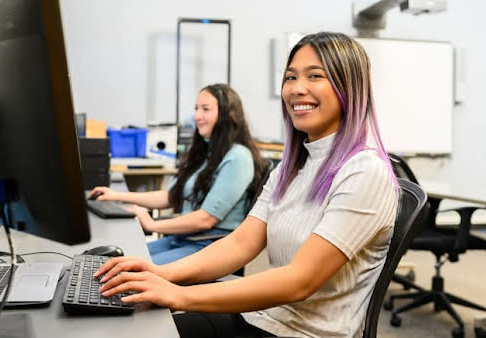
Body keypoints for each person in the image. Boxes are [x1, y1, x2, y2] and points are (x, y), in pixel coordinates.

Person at [94, 32, 399, 338]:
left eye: (314, 76)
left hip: (301, 333)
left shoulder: (365, 172)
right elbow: (241, 243)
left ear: (350, 87)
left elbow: (299, 281)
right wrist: (161, 274)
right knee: (134, 325)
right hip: (262, 317)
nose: (296, 88)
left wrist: (178, 294)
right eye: (290, 77)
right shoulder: (292, 167)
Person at [90, 84, 267, 265]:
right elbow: (169, 197)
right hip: (184, 239)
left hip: (209, 245)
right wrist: (118, 196)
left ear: (226, 115)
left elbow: (205, 219)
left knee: (127, 268)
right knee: (107, 261)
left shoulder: (238, 157)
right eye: (196, 109)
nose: (197, 116)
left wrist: (152, 224)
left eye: (206, 109)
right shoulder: (206, 153)